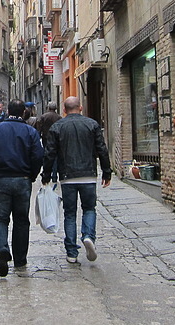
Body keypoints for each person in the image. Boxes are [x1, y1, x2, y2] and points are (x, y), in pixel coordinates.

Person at [42, 96, 112, 263]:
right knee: (89, 209)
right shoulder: (92, 124)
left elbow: (49, 153)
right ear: (80, 108)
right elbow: (102, 149)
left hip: (67, 177)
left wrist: (46, 175)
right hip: (88, 175)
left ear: (64, 110)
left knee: (70, 214)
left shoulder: (57, 127)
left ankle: (71, 252)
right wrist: (106, 172)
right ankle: (88, 236)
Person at [0, 100, 44, 277]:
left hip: (1, 179)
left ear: (8, 111)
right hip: (22, 180)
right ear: (24, 112)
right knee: (21, 220)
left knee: (0, 219)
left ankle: (2, 248)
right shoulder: (30, 132)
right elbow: (38, 156)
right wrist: (32, 175)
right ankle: (20, 259)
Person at [35, 102, 62, 182]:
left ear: (48, 108)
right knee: (56, 156)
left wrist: (39, 135)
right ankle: (54, 176)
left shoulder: (43, 116)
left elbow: (39, 126)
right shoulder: (59, 117)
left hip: (46, 138)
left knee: (47, 155)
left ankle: (47, 173)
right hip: (56, 138)